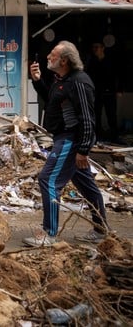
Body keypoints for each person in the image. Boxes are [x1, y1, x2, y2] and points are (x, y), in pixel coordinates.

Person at [25, 41, 109, 246]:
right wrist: (37, 81)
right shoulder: (62, 80)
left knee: (49, 180)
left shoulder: (79, 82)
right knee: (87, 186)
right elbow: (52, 100)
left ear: (64, 60)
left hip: (71, 140)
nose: (47, 57)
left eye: (52, 55)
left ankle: (49, 234)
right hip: (65, 139)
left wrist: (83, 150)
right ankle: (101, 230)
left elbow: (87, 119)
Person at [85, 41, 119, 143]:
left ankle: (114, 137)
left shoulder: (110, 61)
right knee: (96, 115)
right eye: (93, 47)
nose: (95, 49)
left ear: (102, 48)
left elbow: (116, 75)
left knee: (111, 114)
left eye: (97, 47)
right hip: (97, 92)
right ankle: (97, 136)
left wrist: (118, 89)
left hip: (109, 92)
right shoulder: (92, 61)